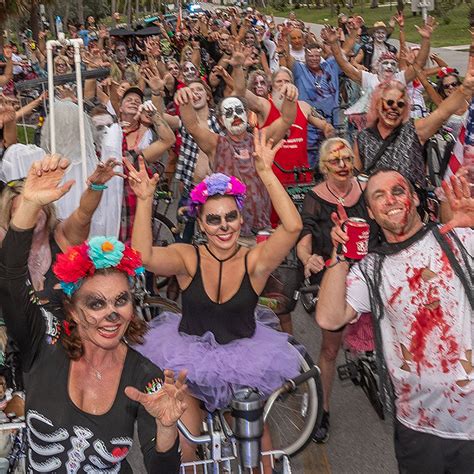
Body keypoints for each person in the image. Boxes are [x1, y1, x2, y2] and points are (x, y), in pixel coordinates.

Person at [0, 155, 186, 472]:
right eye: (96, 303)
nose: (111, 314)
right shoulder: (40, 350)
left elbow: (161, 467)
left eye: (121, 300)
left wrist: (167, 430)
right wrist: (28, 204)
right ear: (71, 309)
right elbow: (9, 278)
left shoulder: (146, 375)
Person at [126, 130, 302, 461]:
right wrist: (146, 200)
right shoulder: (188, 258)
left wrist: (265, 172)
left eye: (230, 216)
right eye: (214, 219)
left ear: (240, 217)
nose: (224, 226)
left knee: (256, 440)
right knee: (187, 442)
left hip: (243, 364)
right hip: (188, 364)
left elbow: (292, 227)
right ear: (202, 225)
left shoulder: (255, 262)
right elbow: (143, 256)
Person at [317, 170, 473, 472]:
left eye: (398, 191)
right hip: (416, 426)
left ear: (414, 198)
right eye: (379, 196)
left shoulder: (457, 238)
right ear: (372, 214)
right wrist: (339, 256)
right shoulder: (372, 268)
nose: (390, 200)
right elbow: (329, 316)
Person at [296, 138, 380, 443]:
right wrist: (308, 258)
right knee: (330, 349)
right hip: (334, 273)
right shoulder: (314, 197)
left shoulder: (368, 188)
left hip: (372, 270)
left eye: (347, 158)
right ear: (324, 166)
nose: (343, 164)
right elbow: (304, 234)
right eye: (336, 160)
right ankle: (323, 409)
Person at [175, 83, 297, 236]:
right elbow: (192, 126)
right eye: (229, 113)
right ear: (220, 120)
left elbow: (287, 119)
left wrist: (291, 97)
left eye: (239, 111)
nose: (235, 116)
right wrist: (185, 101)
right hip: (229, 233)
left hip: (262, 229)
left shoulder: (260, 139)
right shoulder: (216, 144)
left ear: (247, 114)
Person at [354, 74, 474, 190]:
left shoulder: (414, 130)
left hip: (410, 207)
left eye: (400, 104)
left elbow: (442, 113)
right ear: (377, 104)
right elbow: (353, 179)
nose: (394, 107)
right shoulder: (363, 138)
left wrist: (464, 89)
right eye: (389, 102)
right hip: (376, 207)